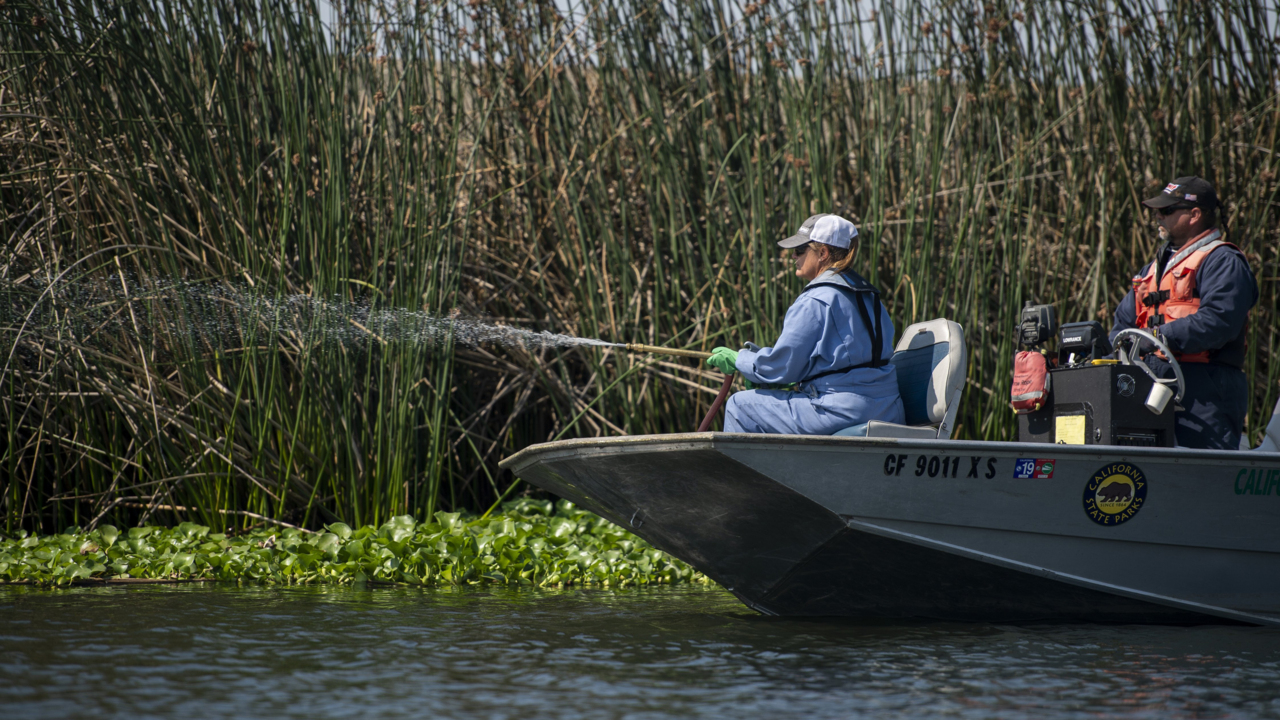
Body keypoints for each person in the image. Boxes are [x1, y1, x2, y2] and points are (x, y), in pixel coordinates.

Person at [704, 214, 905, 434]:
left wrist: (739, 359)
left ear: (823, 253)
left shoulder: (815, 300)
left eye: (800, 250)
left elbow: (781, 367)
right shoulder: (871, 298)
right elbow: (847, 363)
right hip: (889, 408)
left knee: (740, 406)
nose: (793, 256)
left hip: (843, 410)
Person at [1108, 176, 1258, 450]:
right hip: (1150, 390)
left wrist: (1158, 337)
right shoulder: (1150, 271)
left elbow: (1219, 321)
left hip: (1206, 392)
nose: (1158, 217)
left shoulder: (1224, 261)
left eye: (1166, 210)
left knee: (1202, 473)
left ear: (1195, 215)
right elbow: (1122, 326)